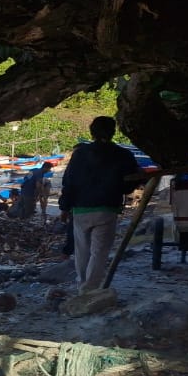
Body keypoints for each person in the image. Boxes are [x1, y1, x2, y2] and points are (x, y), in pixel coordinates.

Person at [57, 115, 141, 293]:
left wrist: (64, 207)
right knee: (99, 252)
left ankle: (82, 285)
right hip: (107, 208)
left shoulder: (80, 153)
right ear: (112, 132)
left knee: (82, 251)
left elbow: (69, 182)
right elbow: (130, 184)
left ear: (92, 132)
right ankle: (90, 288)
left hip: (81, 209)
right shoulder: (123, 154)